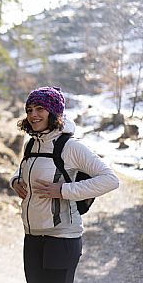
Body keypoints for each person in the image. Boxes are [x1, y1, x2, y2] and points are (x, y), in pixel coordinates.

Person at [10, 86, 119, 283]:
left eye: (39, 109)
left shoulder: (70, 146)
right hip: (32, 235)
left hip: (62, 238)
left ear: (54, 112)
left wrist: (63, 190)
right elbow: (26, 168)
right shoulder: (32, 144)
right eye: (29, 110)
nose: (33, 114)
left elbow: (110, 179)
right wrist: (15, 180)